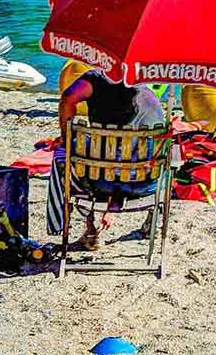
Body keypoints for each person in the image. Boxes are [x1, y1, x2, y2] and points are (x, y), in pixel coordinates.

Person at [53, 63, 165, 246]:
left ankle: (90, 225)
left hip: (99, 185)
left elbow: (68, 98)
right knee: (166, 159)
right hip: (145, 186)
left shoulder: (96, 78)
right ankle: (153, 222)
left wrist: (66, 137)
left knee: (64, 158)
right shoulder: (146, 88)